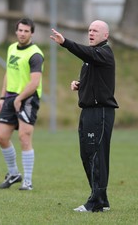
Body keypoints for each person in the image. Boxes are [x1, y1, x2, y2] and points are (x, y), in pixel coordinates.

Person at [50, 20, 118, 212]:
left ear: (105, 35)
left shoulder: (104, 52)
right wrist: (80, 84)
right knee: (87, 154)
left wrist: (65, 43)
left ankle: (95, 201)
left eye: (95, 30)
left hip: (100, 112)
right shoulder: (93, 57)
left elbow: (85, 52)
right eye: (89, 30)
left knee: (97, 155)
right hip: (87, 112)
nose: (91, 33)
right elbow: (97, 79)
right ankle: (101, 199)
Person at [0, 18, 44, 191]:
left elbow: (35, 82)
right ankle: (14, 173)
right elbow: (8, 73)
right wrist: (2, 97)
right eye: (20, 30)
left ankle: (28, 181)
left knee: (24, 137)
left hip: (28, 98)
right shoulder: (11, 49)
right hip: (10, 97)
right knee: (1, 137)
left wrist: (19, 98)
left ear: (32, 33)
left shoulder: (35, 54)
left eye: (26, 31)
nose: (22, 34)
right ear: (16, 31)